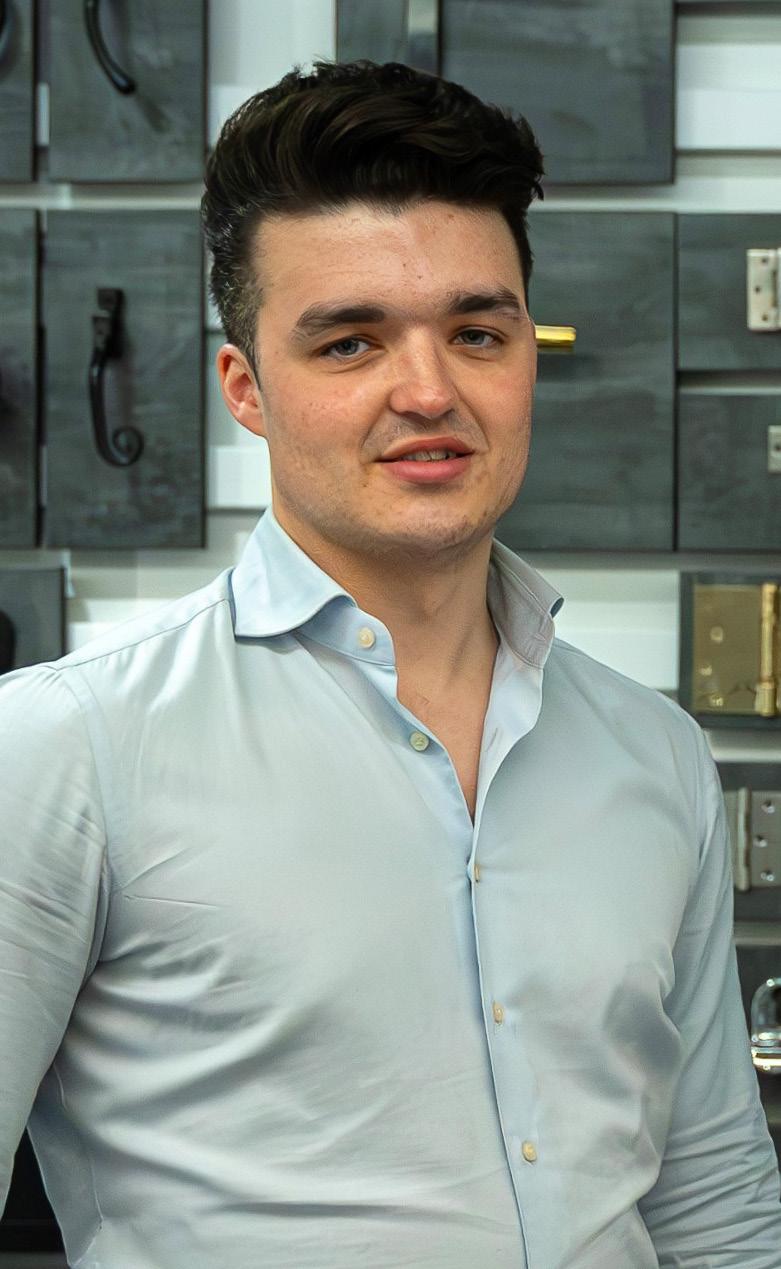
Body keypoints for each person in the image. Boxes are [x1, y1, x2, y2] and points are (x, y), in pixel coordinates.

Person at [1, 59, 779, 1269]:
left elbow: (712, 1198)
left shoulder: (656, 751)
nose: (428, 391)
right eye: (350, 342)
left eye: (476, 333)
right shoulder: (63, 750)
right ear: (246, 389)